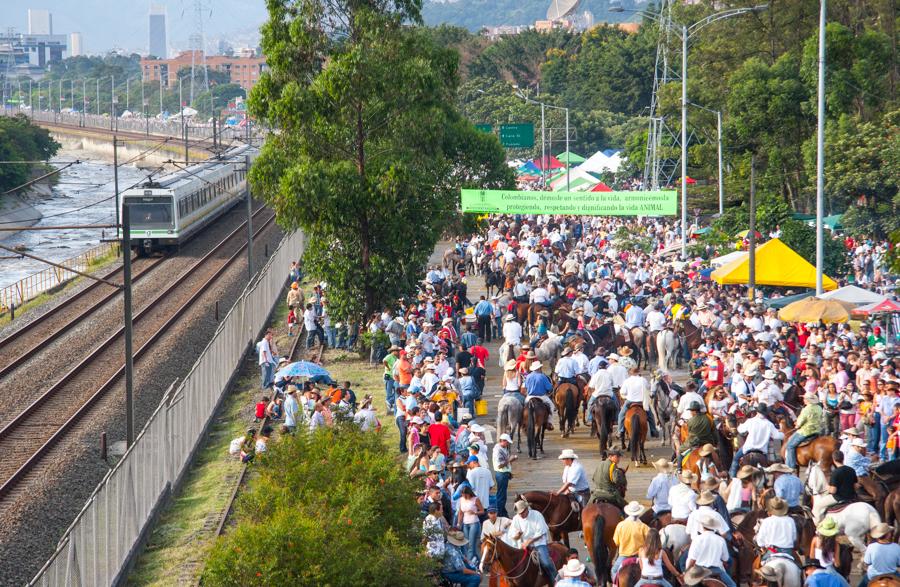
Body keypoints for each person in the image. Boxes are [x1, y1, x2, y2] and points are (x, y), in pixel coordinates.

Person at [508, 499, 558, 583]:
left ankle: (556, 580)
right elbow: (512, 534)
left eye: (522, 512)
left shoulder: (537, 515)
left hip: (538, 543)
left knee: (546, 563)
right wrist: (517, 535)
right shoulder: (516, 518)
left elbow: (541, 532)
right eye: (519, 513)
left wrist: (528, 542)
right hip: (523, 545)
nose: (521, 515)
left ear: (526, 509)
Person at [731, 404, 784, 476]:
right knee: (772, 460)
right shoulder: (769, 424)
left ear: (757, 412)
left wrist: (740, 424)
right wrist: (785, 433)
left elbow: (740, 430)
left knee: (736, 459)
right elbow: (777, 436)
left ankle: (733, 478)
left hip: (748, 448)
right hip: (762, 452)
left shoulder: (750, 421)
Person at [685, 512, 736, 587]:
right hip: (716, 570)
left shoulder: (697, 539)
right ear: (714, 527)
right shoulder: (721, 540)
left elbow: (692, 560)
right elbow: (725, 558)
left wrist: (686, 572)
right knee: (733, 585)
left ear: (703, 526)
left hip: (699, 572)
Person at [786, 392, 825, 470]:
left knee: (790, 445)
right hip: (817, 431)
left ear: (807, 400)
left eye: (804, 398)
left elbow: (800, 422)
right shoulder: (819, 408)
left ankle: (790, 466)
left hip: (805, 431)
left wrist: (797, 425)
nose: (803, 399)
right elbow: (822, 419)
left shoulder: (806, 409)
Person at [612, 501, 651, 580]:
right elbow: (650, 542)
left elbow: (616, 542)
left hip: (624, 555)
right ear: (639, 513)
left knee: (614, 570)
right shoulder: (644, 527)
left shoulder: (621, 525)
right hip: (639, 556)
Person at [809, 517, 851, 587]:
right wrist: (833, 560)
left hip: (816, 569)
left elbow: (811, 557)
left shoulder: (815, 540)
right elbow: (837, 564)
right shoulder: (835, 544)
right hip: (829, 570)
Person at [618, 367, 659, 437]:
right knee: (650, 416)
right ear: (638, 373)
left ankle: (620, 431)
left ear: (630, 373)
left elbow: (622, 392)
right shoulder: (643, 380)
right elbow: (648, 388)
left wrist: (627, 394)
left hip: (630, 401)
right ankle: (653, 430)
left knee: (621, 415)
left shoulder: (627, 381)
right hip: (642, 402)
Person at [456, 485, 484, 563]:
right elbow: (460, 513)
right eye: (463, 494)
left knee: (471, 544)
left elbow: (482, 511)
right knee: (467, 544)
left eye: (466, 494)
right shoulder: (461, 499)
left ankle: (469, 563)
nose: (464, 496)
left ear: (469, 493)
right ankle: (477, 561)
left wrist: (475, 512)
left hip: (474, 523)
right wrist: (458, 523)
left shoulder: (475, 499)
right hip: (465, 523)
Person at [492, 433, 516, 517]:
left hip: (504, 473)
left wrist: (509, 471)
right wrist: (510, 460)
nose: (508, 444)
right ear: (502, 441)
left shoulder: (503, 448)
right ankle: (500, 514)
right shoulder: (498, 450)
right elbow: (499, 465)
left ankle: (503, 512)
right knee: (501, 496)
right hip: (501, 474)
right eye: (507, 442)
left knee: (502, 495)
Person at [383, 345, 400, 414]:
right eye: (396, 350)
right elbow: (384, 361)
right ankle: (389, 403)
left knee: (395, 390)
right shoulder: (389, 356)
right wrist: (388, 367)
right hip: (389, 375)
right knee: (389, 391)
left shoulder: (395, 357)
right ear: (393, 351)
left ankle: (390, 402)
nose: (397, 352)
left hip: (393, 376)